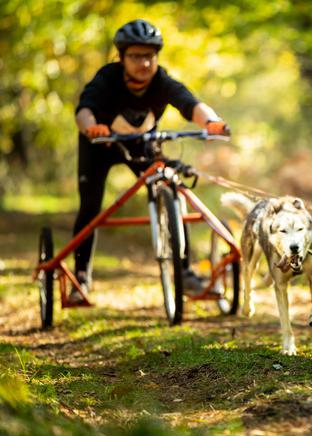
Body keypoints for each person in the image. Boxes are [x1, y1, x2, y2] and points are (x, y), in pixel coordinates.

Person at [70, 19, 228, 303]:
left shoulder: (161, 81)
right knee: (90, 207)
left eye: (149, 56)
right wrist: (91, 127)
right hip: (100, 145)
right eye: (136, 56)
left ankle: (183, 270)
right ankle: (80, 277)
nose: (143, 63)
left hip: (142, 145)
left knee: (171, 190)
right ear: (122, 57)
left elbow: (189, 103)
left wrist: (212, 121)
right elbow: (84, 110)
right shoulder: (107, 78)